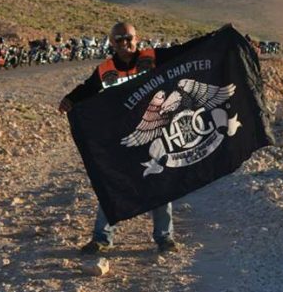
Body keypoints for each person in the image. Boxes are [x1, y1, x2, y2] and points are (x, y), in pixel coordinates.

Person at [59, 22, 197, 254]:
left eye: (128, 38)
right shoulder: (105, 70)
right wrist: (70, 99)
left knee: (159, 183)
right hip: (122, 135)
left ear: (137, 38)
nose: (125, 43)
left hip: (154, 132)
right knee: (111, 183)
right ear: (112, 43)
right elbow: (88, 89)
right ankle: (102, 238)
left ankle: (165, 238)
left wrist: (216, 37)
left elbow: (186, 51)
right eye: (119, 39)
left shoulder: (153, 58)